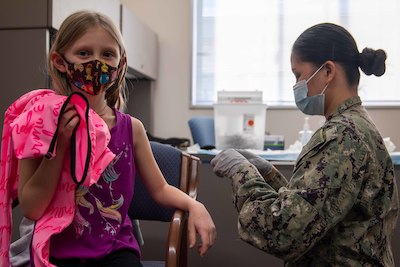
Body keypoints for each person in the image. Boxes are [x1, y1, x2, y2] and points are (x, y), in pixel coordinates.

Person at [8, 10, 216, 267]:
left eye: (107, 54)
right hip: (55, 248)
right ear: (60, 61)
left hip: (115, 250)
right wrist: (60, 145)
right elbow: (32, 209)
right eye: (83, 53)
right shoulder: (39, 122)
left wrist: (196, 206)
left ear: (120, 66)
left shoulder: (132, 129)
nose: (96, 62)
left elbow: (160, 189)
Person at [211, 22, 398, 266]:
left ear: (327, 71)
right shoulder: (355, 126)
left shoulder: (341, 136)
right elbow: (317, 207)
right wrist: (267, 174)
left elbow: (282, 232)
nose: (296, 85)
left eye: (298, 74)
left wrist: (241, 172)